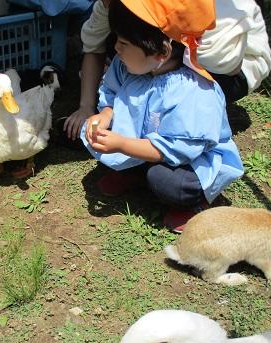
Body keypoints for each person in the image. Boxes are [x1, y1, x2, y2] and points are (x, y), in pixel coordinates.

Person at [81, 0, 244, 232]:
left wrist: (123, 144)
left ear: (162, 52)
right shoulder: (128, 65)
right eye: (117, 38)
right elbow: (112, 91)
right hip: (143, 145)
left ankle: (199, 200)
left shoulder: (193, 91)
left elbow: (179, 148)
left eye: (124, 42)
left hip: (189, 162)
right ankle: (136, 174)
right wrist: (106, 113)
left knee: (169, 183)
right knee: (102, 132)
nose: (116, 48)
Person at [63, 0, 271, 141]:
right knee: (125, 42)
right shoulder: (109, 6)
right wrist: (86, 107)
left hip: (234, 68)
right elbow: (93, 46)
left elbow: (229, 65)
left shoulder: (207, 30)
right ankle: (146, 112)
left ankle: (171, 124)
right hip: (170, 48)